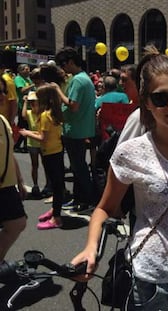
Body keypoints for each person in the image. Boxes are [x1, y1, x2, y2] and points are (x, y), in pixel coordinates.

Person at [71, 49, 168, 310]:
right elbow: (104, 208)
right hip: (151, 278)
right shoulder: (131, 152)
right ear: (147, 102)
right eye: (161, 98)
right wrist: (91, 248)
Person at [54, 47, 96, 212]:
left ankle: (89, 200)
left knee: (80, 168)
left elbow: (73, 106)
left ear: (71, 62)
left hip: (75, 130)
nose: (62, 68)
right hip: (80, 129)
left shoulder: (78, 80)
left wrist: (57, 91)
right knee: (79, 168)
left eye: (63, 64)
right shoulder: (84, 78)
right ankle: (80, 199)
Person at [20, 84, 65, 230]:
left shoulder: (45, 115)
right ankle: (55, 209)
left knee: (56, 186)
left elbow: (42, 138)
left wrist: (27, 133)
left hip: (49, 152)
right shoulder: (55, 112)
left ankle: (56, 218)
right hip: (56, 150)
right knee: (58, 184)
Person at [0, 114, 27, 276]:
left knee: (16, 224)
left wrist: (20, 180)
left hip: (7, 185)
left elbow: (9, 153)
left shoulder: (2, 120)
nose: (3, 95)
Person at [21, 91, 43, 197]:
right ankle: (35, 185)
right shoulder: (30, 113)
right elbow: (23, 115)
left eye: (35, 103)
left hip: (42, 143)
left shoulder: (43, 113)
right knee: (35, 165)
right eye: (32, 103)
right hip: (32, 143)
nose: (33, 105)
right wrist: (25, 102)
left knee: (46, 164)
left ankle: (48, 184)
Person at [14, 64, 35, 153]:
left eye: (29, 69)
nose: (28, 71)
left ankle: (25, 145)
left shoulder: (28, 79)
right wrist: (33, 85)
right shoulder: (18, 79)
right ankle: (16, 144)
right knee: (22, 126)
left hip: (30, 106)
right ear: (20, 71)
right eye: (26, 70)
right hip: (22, 106)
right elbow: (22, 90)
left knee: (28, 126)